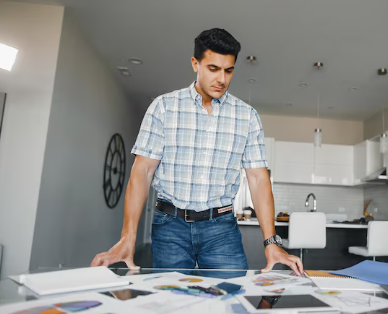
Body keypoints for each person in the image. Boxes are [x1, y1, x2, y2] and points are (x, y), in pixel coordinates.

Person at [91, 28, 303, 275]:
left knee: (232, 300)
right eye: (213, 69)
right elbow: (142, 172)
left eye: (229, 70)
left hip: (222, 229)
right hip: (170, 227)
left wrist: (272, 243)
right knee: (171, 302)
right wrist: (128, 237)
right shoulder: (164, 107)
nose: (222, 79)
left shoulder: (247, 116)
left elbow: (258, 178)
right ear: (195, 64)